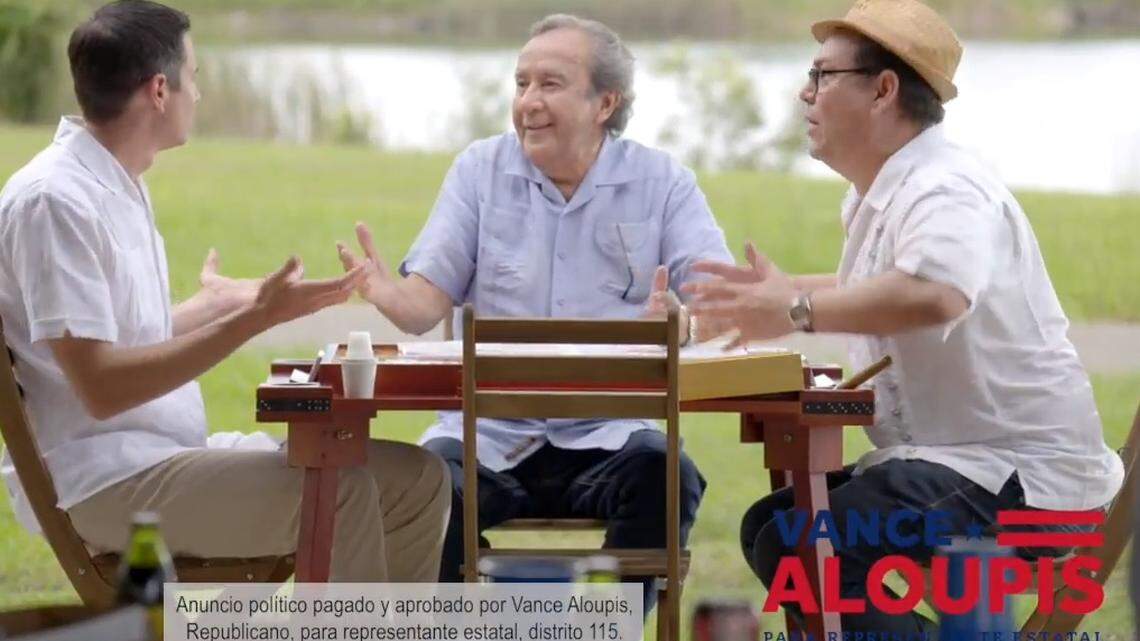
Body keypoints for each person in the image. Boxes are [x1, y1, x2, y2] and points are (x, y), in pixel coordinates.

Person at [683, 0, 1125, 634]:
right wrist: (778, 293)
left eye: (821, 75)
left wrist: (794, 309)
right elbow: (878, 284)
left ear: (883, 90)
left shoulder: (944, 188)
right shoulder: (887, 191)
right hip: (968, 471)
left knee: (798, 543)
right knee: (774, 530)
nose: (804, 93)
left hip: (1026, 489)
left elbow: (937, 294)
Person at [0, 0, 449, 582]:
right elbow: (102, 387)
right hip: (107, 481)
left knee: (418, 479)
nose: (200, 93)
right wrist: (251, 321)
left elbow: (120, 336)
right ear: (160, 91)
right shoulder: (55, 202)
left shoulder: (113, 181)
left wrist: (216, 306)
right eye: (195, 77)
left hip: (159, 455)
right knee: (341, 493)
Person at [336, 14, 733, 605]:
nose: (528, 102)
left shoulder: (662, 181)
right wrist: (387, 293)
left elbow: (721, 305)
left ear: (605, 103)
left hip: (610, 434)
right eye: (521, 84)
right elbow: (423, 308)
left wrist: (683, 320)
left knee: (666, 473)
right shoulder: (480, 170)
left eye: (549, 84)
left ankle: (603, 627)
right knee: (421, 488)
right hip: (487, 436)